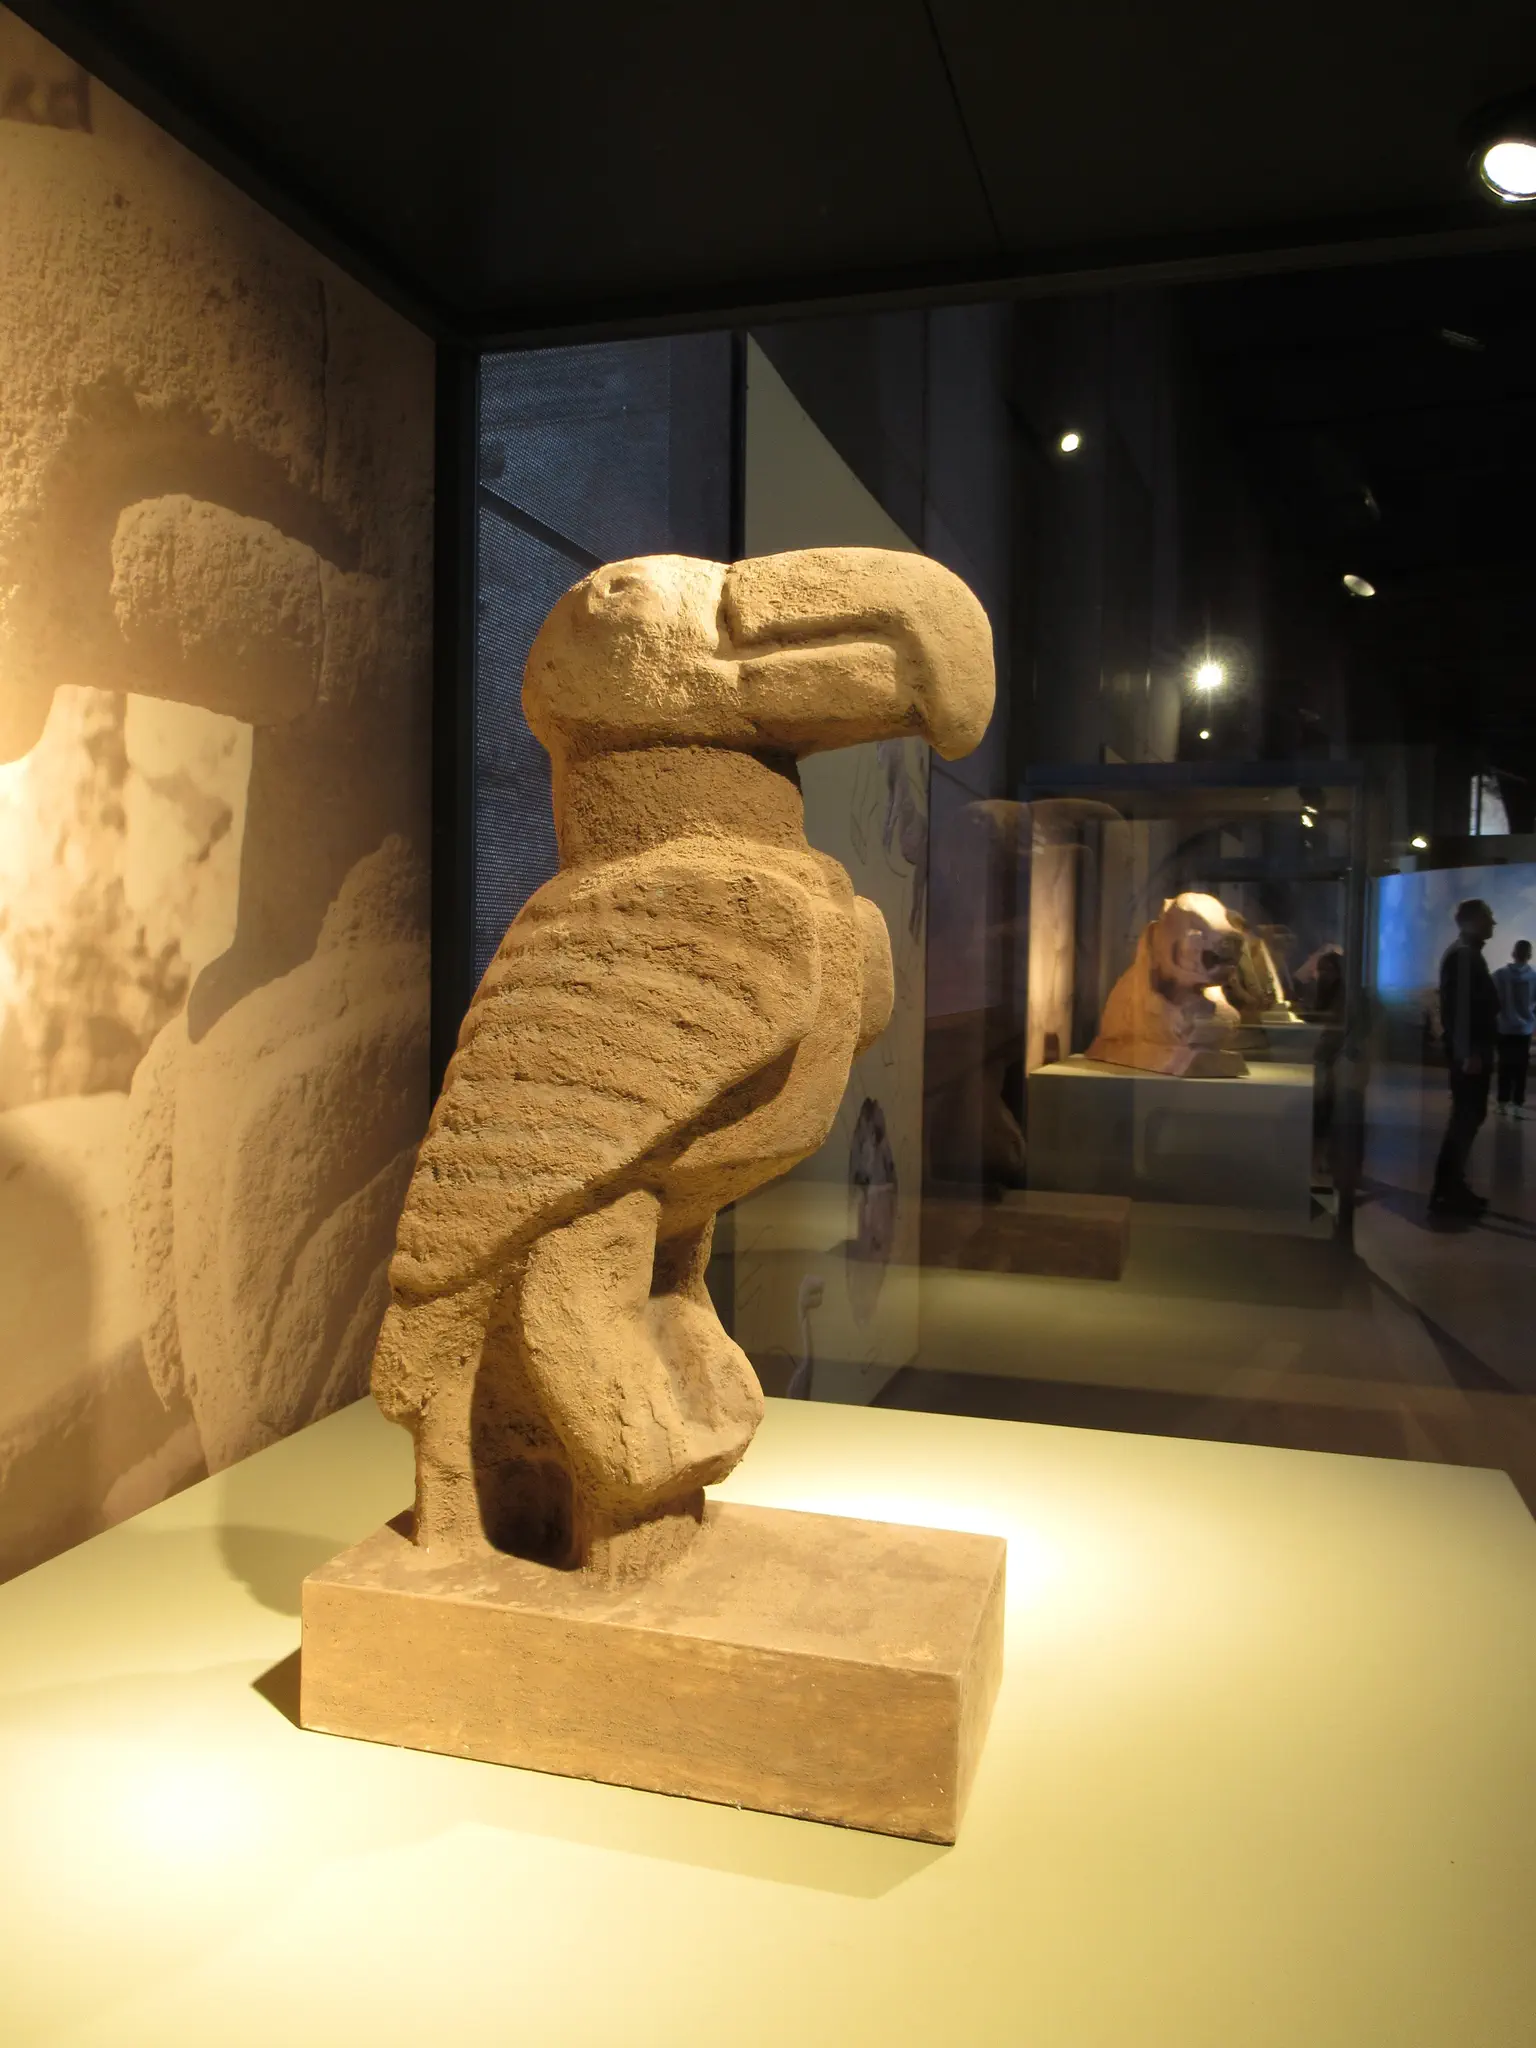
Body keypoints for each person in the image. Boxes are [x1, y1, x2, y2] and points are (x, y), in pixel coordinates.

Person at [1430, 898, 1499, 1217]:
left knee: (1468, 1119)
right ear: (1472, 921)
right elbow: (1459, 1010)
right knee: (1465, 1119)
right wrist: (1468, 1052)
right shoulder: (1463, 956)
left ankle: (1452, 1188)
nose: (1493, 923)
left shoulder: (1467, 954)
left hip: (1472, 1052)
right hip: (1469, 1054)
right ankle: (1446, 1192)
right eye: (1488, 917)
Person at [1493, 937, 1535, 1119]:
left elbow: (1491, 1000)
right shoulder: (1534, 977)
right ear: (1529, 955)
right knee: (1521, 1068)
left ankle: (1502, 1103)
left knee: (1504, 1065)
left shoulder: (1499, 975)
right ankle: (1517, 1103)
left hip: (1504, 1027)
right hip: (1524, 1029)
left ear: (1513, 953)